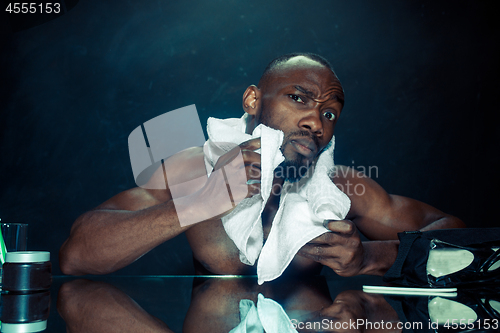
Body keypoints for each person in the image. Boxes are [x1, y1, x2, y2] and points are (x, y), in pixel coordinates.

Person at [59, 53, 465, 277]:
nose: (315, 122)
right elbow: (76, 254)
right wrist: (200, 202)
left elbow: (459, 233)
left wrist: (372, 257)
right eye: (299, 99)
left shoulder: (339, 188)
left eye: (329, 114)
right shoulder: (194, 169)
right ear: (253, 101)